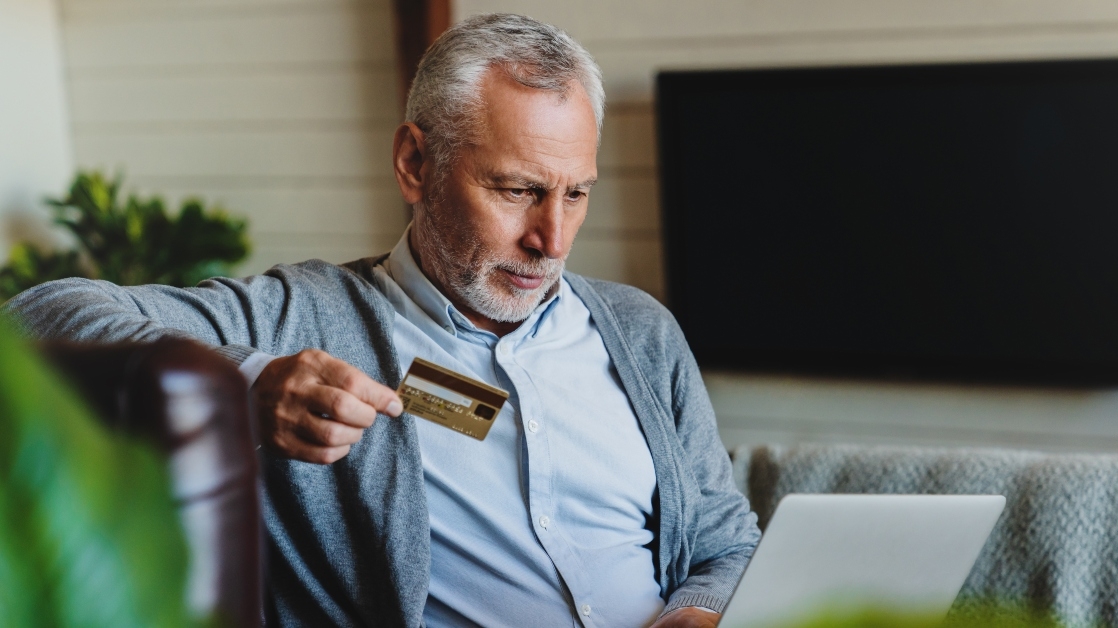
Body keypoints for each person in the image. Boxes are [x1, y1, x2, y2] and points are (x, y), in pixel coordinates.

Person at [6, 13, 760, 628]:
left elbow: (728, 544)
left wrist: (697, 611)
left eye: (577, 194)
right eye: (516, 190)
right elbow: (35, 318)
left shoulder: (640, 331)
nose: (551, 241)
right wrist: (243, 384)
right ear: (413, 164)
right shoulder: (302, 318)